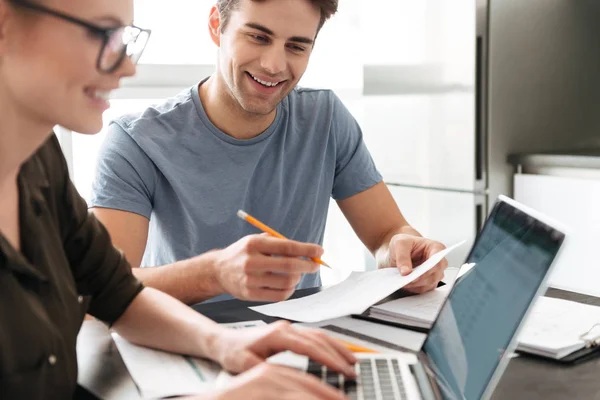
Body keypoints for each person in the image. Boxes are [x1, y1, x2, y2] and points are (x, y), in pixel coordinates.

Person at [0, 0, 357, 398]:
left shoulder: (38, 160)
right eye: (101, 33)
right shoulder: (133, 141)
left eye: (125, 38)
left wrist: (225, 344)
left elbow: (115, 290)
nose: (127, 67)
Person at [89, 0, 450, 306]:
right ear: (217, 26)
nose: (274, 65)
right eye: (258, 37)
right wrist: (215, 275)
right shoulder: (136, 141)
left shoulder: (326, 120)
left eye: (296, 46)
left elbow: (386, 233)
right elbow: (99, 290)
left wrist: (403, 250)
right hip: (187, 354)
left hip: (302, 344)